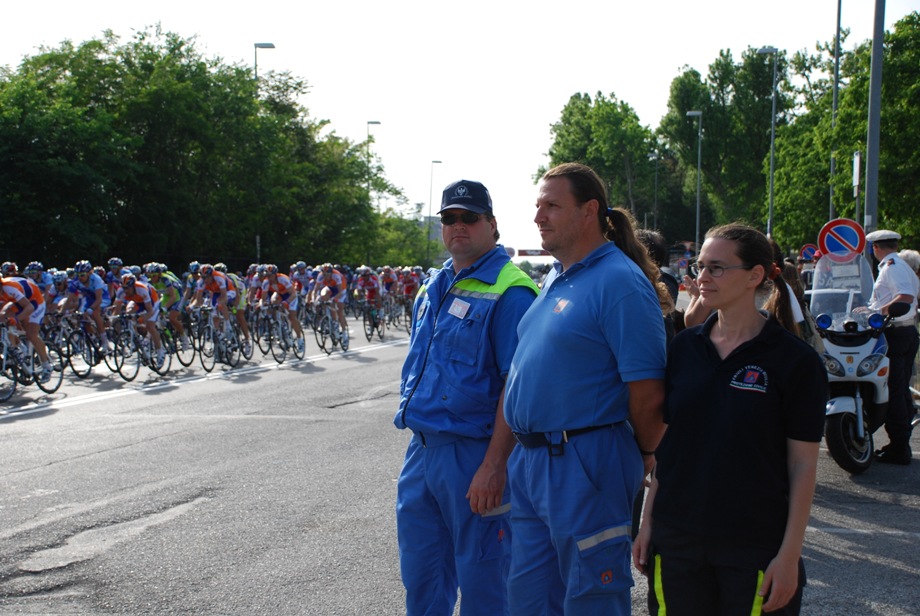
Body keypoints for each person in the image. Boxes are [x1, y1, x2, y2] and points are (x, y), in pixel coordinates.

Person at [632, 223, 827, 616]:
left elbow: (803, 465)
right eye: (700, 266)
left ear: (755, 275)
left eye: (717, 268)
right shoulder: (685, 347)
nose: (702, 277)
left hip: (754, 544)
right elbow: (671, 446)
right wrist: (647, 522)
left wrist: (789, 555)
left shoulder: (795, 361)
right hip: (677, 540)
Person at [503, 162, 668, 615]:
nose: (538, 216)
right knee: (529, 601)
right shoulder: (558, 275)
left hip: (584, 460)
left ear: (589, 210)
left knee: (591, 599)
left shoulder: (619, 282)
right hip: (533, 461)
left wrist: (643, 451)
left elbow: (648, 391)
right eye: (538, 206)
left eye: (552, 206)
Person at [394, 179, 539, 616]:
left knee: (485, 586)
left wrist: (494, 465)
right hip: (422, 452)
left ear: (491, 224)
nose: (458, 225)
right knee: (422, 581)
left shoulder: (512, 291)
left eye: (469, 217)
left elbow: (516, 389)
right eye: (449, 218)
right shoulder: (432, 286)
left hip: (475, 456)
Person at [865, 229, 919, 465]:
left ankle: (899, 447)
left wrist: (876, 311)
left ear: (875, 248)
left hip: (895, 333)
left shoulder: (891, 267)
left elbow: (905, 297)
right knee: (900, 388)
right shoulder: (902, 265)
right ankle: (900, 442)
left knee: (893, 389)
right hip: (905, 331)